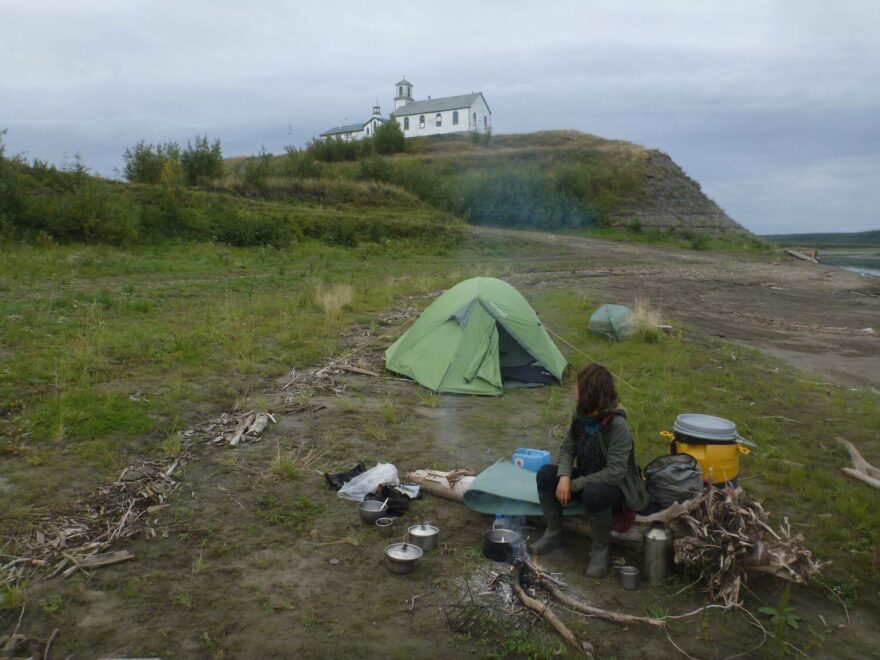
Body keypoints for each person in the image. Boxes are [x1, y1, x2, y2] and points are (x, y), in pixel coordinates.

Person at [530, 363, 650, 577]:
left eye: (578, 386)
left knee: (594, 492)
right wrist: (565, 476)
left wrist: (574, 484)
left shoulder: (616, 425)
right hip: (587, 477)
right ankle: (554, 533)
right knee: (546, 474)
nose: (574, 389)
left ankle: (600, 550)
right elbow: (568, 446)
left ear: (589, 392)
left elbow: (614, 473)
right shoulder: (581, 416)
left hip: (614, 488)